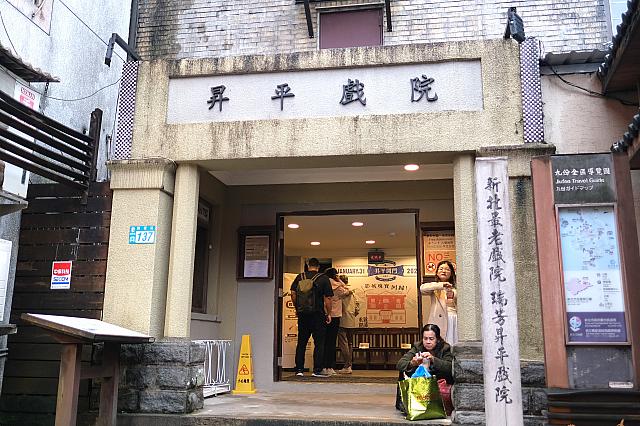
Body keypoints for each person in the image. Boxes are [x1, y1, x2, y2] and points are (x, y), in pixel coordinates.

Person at [395, 323, 454, 412]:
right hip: (420, 383)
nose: (428, 342)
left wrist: (433, 359)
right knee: (404, 371)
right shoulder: (418, 347)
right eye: (425, 338)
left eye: (431, 339)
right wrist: (413, 363)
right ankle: (405, 403)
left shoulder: (445, 348)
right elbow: (400, 364)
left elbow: (449, 367)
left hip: (437, 382)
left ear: (437, 339)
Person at [290, 258, 333, 377]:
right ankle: (317, 370)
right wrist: (329, 313)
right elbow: (328, 298)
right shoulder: (323, 278)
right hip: (318, 314)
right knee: (319, 343)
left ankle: (299, 369)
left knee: (301, 342)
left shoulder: (300, 277)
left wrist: (297, 308)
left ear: (308, 265)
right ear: (318, 267)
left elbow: (293, 293)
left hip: (303, 315)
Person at [322, 268, 352, 376]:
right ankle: (329, 367)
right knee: (332, 342)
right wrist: (339, 280)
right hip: (335, 316)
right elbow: (348, 291)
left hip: (324, 314)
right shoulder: (338, 287)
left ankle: (322, 366)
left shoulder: (324, 284)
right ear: (335, 275)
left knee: (324, 341)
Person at [420, 260, 458, 344]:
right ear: (437, 272)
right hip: (439, 320)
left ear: (451, 273)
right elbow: (422, 289)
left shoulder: (456, 287)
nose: (444, 271)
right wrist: (441, 285)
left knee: (454, 343)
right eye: (441, 269)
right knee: (440, 344)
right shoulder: (435, 287)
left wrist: (453, 293)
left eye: (447, 269)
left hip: (454, 318)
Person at [337, 274, 357, 374]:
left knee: (343, 343)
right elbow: (357, 307)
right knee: (350, 343)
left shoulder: (341, 291)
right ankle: (349, 365)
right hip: (351, 319)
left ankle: (347, 365)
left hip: (343, 318)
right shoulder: (353, 292)